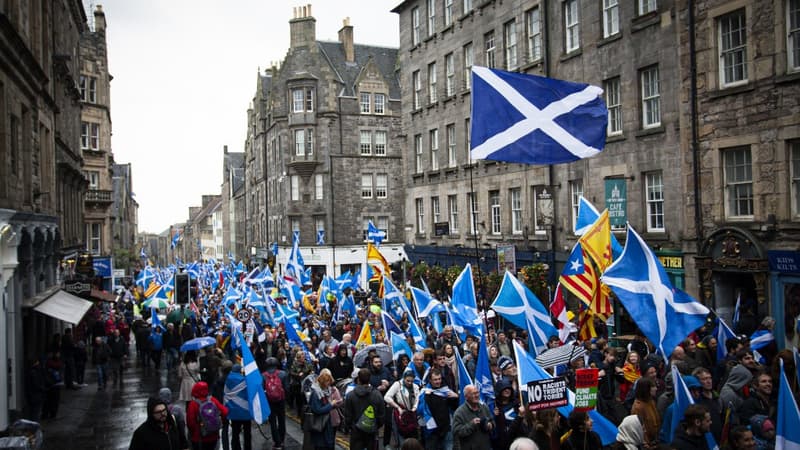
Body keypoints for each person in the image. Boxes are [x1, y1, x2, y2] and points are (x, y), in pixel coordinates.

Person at [344, 368, 386, 450]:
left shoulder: (350, 395)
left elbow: (348, 415)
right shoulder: (377, 394)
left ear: (358, 379)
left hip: (356, 430)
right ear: (370, 379)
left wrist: (348, 427)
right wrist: (376, 425)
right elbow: (382, 414)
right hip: (372, 430)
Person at [422, 368, 459, 450]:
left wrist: (456, 397)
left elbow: (454, 407)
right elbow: (424, 412)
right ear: (430, 380)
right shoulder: (425, 394)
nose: (438, 381)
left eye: (439, 379)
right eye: (435, 380)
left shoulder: (445, 391)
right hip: (432, 432)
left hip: (446, 428)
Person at [186, 381, 229, 450]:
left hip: (199, 438)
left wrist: (194, 432)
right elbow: (225, 412)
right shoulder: (213, 400)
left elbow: (190, 423)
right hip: (214, 437)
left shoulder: (193, 404)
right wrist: (219, 422)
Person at [384, 368, 420, 446]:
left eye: (412, 381)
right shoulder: (397, 384)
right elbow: (387, 397)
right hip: (400, 414)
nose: (410, 383)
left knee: (413, 438)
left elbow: (417, 399)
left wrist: (414, 408)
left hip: (411, 414)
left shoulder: (415, 387)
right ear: (403, 378)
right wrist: (397, 407)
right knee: (401, 437)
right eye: (408, 381)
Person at [308, 369, 342, 450]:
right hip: (320, 425)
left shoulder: (326, 390)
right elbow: (317, 410)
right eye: (328, 382)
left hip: (326, 424)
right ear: (323, 382)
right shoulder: (316, 393)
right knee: (321, 445)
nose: (329, 384)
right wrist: (331, 405)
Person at [452, 385, 494, 450]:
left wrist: (490, 425)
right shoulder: (459, 412)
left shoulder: (484, 407)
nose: (476, 395)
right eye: (473, 394)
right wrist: (471, 424)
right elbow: (457, 433)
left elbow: (492, 421)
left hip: (485, 446)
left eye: (477, 393)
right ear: (466, 397)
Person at [224, 364, 252, 450]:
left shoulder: (227, 380)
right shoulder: (245, 380)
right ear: (240, 370)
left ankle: (236, 447)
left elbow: (226, 395)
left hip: (234, 411)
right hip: (246, 411)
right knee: (247, 432)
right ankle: (247, 447)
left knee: (235, 432)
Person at [262, 357, 288, 449]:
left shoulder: (263, 375)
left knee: (272, 422)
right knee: (281, 420)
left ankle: (276, 442)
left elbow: (262, 390)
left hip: (269, 402)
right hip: (281, 401)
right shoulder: (283, 374)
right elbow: (286, 388)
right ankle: (282, 440)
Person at [630, 376, 660, 448]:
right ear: (646, 389)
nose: (656, 389)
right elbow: (640, 430)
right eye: (653, 387)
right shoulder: (638, 408)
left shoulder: (651, 401)